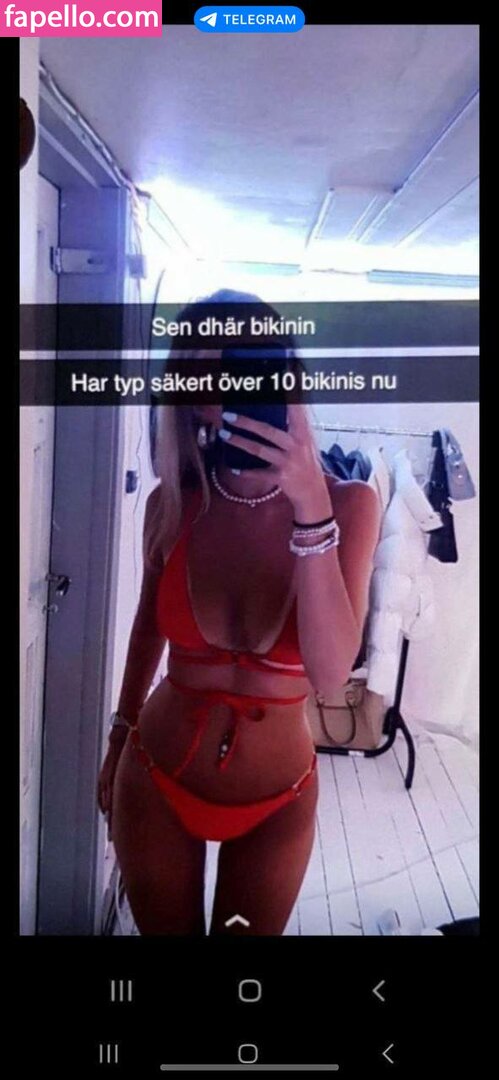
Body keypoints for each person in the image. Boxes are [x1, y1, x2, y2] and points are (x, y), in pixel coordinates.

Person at [97, 292, 380, 935]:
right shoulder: (173, 503)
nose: (221, 388)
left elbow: (331, 675)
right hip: (156, 775)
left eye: (243, 367)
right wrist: (117, 738)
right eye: (202, 371)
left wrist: (311, 508)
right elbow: (147, 627)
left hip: (277, 801)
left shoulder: (350, 505)